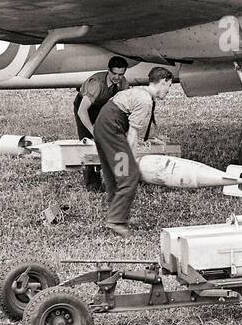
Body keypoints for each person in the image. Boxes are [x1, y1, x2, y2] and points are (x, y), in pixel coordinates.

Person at [92, 66, 173, 235]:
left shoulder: (138, 92)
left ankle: (115, 214)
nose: (168, 90)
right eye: (169, 86)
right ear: (163, 82)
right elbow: (133, 134)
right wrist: (131, 158)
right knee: (129, 175)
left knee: (113, 174)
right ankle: (116, 221)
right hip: (111, 129)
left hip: (102, 125)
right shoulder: (145, 101)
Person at [72, 56, 129, 190]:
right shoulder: (97, 84)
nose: (117, 77)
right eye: (114, 74)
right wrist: (93, 131)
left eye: (121, 74)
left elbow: (123, 103)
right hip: (85, 108)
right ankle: (93, 184)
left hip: (103, 106)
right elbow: (82, 111)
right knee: (89, 142)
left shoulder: (123, 83)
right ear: (108, 71)